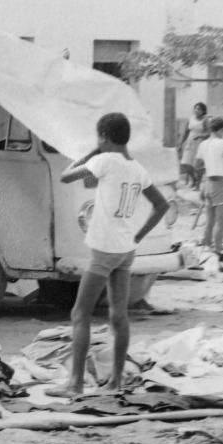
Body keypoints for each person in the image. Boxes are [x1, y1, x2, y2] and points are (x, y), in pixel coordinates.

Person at [46, 112, 170, 399]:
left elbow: (67, 177)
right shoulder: (136, 168)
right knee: (118, 315)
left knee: (80, 313)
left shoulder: (104, 160)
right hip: (126, 249)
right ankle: (116, 381)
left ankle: (74, 384)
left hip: (104, 249)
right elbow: (161, 206)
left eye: (98, 137)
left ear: (103, 137)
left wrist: (92, 152)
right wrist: (138, 236)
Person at [196, 117, 223, 256]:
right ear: (221, 130)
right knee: (221, 221)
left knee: (210, 221)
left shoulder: (203, 144)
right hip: (220, 183)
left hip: (207, 182)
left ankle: (206, 247)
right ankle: (218, 250)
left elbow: (198, 165)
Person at [178, 101, 208, 188]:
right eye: (196, 108)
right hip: (190, 143)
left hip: (200, 144)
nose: (197, 110)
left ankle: (197, 183)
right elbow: (185, 132)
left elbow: (209, 133)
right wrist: (180, 144)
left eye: (199, 109)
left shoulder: (205, 120)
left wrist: (200, 136)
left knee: (197, 164)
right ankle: (194, 179)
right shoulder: (190, 118)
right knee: (186, 163)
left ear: (203, 111)